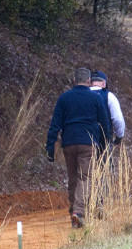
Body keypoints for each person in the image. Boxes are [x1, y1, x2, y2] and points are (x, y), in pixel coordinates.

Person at [46, 67, 110, 228]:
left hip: (68, 143)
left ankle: (73, 213)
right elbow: (104, 124)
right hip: (88, 143)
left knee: (73, 177)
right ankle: (78, 212)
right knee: (85, 178)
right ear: (89, 81)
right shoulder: (95, 98)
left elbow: (55, 124)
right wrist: (104, 146)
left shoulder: (64, 98)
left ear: (74, 80)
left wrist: (50, 147)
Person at [90, 70, 125, 146]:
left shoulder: (82, 95)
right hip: (103, 140)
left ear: (90, 82)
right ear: (103, 83)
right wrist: (119, 136)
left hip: (84, 140)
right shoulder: (109, 96)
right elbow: (118, 119)